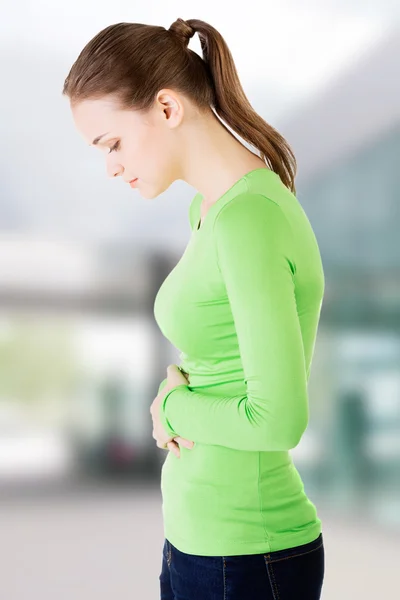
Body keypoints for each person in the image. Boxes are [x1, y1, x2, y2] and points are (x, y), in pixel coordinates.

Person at [63, 16, 325, 600]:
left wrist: (174, 407)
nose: (110, 166)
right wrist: (178, 393)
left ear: (166, 107)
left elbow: (279, 418)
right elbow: (223, 353)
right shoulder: (210, 211)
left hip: (248, 554)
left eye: (113, 143)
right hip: (201, 540)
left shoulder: (247, 219)